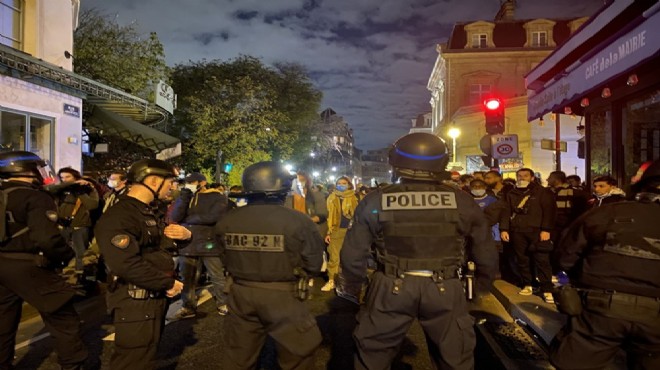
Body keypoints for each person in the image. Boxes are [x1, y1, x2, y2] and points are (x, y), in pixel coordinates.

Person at [337, 133, 498, 370]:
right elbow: (485, 249)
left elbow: (352, 254)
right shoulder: (461, 201)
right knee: (455, 357)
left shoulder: (376, 200)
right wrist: (480, 287)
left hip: (391, 285)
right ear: (442, 162)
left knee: (373, 355)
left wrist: (356, 286)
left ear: (396, 161)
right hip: (445, 286)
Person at [550, 159, 660, 370]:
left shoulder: (608, 213)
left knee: (576, 363)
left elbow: (565, 254)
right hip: (654, 319)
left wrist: (566, 280)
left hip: (600, 309)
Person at [215, 161, 324, 369]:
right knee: (297, 356)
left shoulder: (228, 220)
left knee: (238, 357)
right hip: (284, 296)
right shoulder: (298, 221)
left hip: (240, 294)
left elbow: (223, 256)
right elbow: (314, 264)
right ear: (281, 187)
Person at [94, 159, 191, 370]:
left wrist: (184, 236)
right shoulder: (121, 215)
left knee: (146, 355)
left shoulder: (147, 210)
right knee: (133, 361)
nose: (173, 187)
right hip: (135, 300)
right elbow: (125, 263)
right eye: (170, 182)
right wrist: (166, 284)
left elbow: (161, 247)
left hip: (150, 298)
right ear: (153, 181)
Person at [0, 151, 87, 370]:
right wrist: (66, 256)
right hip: (30, 266)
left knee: (3, 321)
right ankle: (72, 365)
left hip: (2, 263)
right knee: (64, 320)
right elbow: (47, 238)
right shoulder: (35, 197)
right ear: (26, 170)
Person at [169, 172, 230, 319]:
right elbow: (175, 216)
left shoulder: (217, 196)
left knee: (217, 276)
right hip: (187, 244)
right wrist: (185, 196)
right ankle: (188, 306)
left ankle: (223, 303)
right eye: (188, 182)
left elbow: (214, 217)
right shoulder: (185, 197)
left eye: (193, 182)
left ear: (202, 182)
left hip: (210, 243)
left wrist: (188, 221)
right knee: (187, 277)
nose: (190, 184)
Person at [500, 168, 556, 302]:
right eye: (519, 176)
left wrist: (546, 229)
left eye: (525, 176)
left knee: (542, 259)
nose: (522, 178)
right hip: (517, 230)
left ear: (532, 178)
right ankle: (527, 283)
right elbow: (506, 211)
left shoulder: (542, 192)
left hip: (537, 231)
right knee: (522, 259)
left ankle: (547, 288)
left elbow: (549, 211)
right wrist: (504, 229)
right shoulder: (511, 193)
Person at [55, 167, 100, 282]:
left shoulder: (87, 189)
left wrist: (80, 192)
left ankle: (81, 276)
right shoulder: (61, 190)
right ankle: (63, 273)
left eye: (67, 177)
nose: (65, 180)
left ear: (75, 177)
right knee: (62, 251)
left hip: (80, 225)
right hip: (63, 225)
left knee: (80, 252)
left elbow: (92, 205)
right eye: (62, 177)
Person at [322, 176, 359, 292]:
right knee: (334, 258)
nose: (341, 185)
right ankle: (332, 280)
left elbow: (357, 215)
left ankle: (347, 281)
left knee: (349, 258)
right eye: (339, 183)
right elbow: (328, 216)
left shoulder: (354, 197)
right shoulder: (331, 197)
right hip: (336, 230)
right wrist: (328, 233)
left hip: (350, 231)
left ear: (349, 185)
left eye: (344, 183)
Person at [286, 170, 328, 237]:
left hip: (311, 232)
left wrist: (305, 221)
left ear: (307, 182)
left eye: (302, 180)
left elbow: (322, 215)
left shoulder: (317, 196)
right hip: (293, 232)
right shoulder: (288, 197)